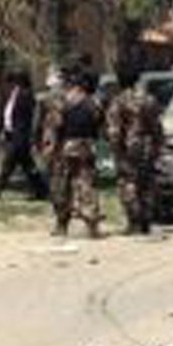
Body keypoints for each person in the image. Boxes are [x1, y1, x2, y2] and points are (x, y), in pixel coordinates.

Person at [104, 61, 164, 234]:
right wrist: (158, 146)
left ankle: (134, 222)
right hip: (148, 146)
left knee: (128, 182)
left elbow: (114, 130)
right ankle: (146, 220)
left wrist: (114, 150)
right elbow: (157, 127)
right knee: (147, 183)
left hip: (128, 148)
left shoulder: (118, 101)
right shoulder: (149, 99)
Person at [44, 68, 104, 238]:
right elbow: (99, 124)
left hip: (66, 147)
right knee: (87, 185)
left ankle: (61, 225)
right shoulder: (94, 103)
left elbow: (54, 127)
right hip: (88, 147)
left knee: (62, 186)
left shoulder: (62, 102)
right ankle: (92, 226)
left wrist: (49, 148)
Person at [0, 68, 47, 200]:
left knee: (9, 162)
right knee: (28, 165)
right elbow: (10, 114)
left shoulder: (26, 95)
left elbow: (26, 118)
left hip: (20, 135)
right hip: (13, 133)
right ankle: (41, 189)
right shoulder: (15, 93)